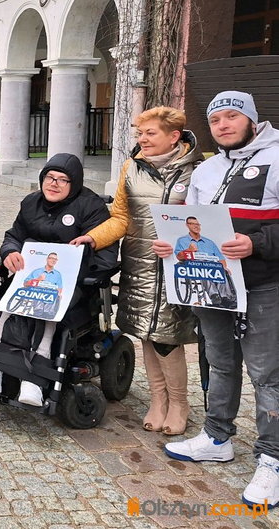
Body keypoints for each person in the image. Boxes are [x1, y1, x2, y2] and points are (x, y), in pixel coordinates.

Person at [153, 91, 279, 508]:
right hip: (213, 285)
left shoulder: (277, 158)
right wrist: (171, 245)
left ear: (251, 119)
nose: (223, 125)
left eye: (231, 116)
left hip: (264, 282)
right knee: (220, 362)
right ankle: (217, 436)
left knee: (267, 373)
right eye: (215, 120)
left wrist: (257, 243)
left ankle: (272, 460)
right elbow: (190, 223)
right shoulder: (207, 170)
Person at [70, 106, 204, 436]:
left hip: (179, 267)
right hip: (140, 264)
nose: (142, 139)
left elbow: (206, 223)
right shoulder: (132, 168)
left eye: (150, 133)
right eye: (139, 133)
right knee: (145, 331)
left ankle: (179, 403)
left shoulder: (197, 172)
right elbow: (120, 218)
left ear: (174, 136)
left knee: (168, 338)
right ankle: (158, 401)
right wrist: (92, 237)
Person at [0, 153, 117, 405]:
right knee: (14, 301)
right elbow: (14, 235)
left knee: (47, 302)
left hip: (74, 283)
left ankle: (34, 380)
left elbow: (107, 255)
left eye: (62, 180)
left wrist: (76, 270)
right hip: (32, 279)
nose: (53, 184)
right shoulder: (31, 203)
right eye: (49, 177)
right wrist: (9, 252)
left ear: (74, 183)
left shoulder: (91, 208)